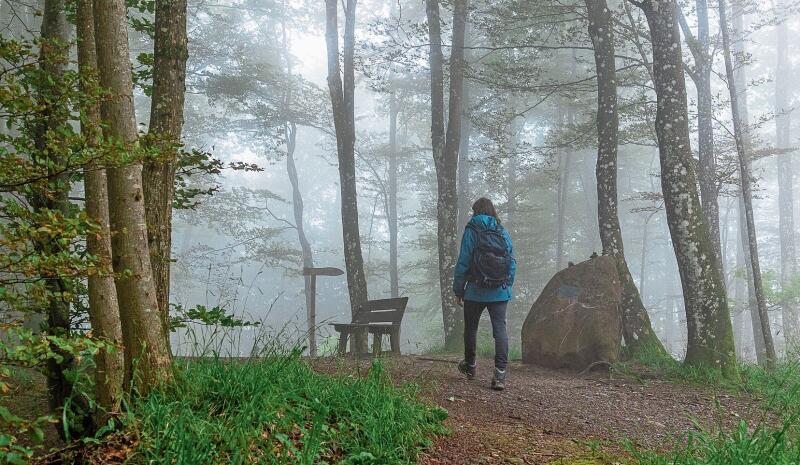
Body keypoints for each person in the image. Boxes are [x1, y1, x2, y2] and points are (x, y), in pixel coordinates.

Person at [453, 197, 516, 391]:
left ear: (475, 211)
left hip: (475, 290)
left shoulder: (472, 230)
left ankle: (470, 368)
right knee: (500, 331)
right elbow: (511, 262)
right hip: (499, 291)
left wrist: (458, 289)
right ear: (493, 211)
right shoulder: (501, 231)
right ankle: (500, 375)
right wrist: (507, 285)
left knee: (471, 329)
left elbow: (464, 261)